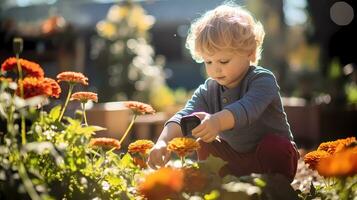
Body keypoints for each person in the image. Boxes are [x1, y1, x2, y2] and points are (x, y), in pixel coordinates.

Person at [147, 3, 299, 182]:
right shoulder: (208, 90)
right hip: (235, 160)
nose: (215, 70)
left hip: (270, 160)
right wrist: (163, 141)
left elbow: (246, 109)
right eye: (208, 62)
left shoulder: (262, 80)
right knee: (203, 138)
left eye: (224, 61)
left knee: (275, 147)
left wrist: (217, 121)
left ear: (249, 53)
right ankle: (217, 180)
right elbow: (184, 115)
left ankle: (273, 185)